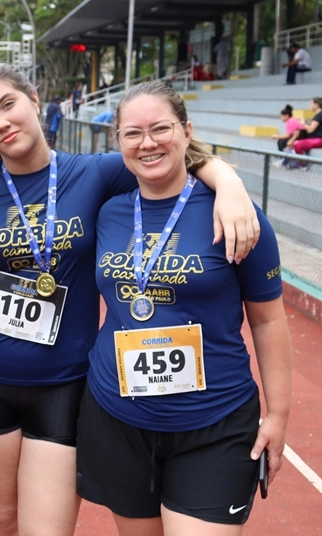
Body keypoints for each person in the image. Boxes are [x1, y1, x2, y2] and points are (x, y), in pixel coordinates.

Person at [0, 63, 261, 536]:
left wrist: (230, 185)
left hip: (66, 382)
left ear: (34, 99)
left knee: (46, 530)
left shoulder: (96, 173)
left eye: (8, 105)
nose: (1, 122)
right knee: (0, 521)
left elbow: (168, 154)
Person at [78, 80, 292, 535]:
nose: (148, 142)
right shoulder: (107, 211)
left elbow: (269, 321)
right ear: (118, 143)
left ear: (186, 131)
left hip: (214, 422)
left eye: (161, 128)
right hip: (118, 418)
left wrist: (278, 416)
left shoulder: (237, 215)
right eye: (132, 133)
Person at [285, 96, 322, 169]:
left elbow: (311, 129)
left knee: (298, 144)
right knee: (293, 143)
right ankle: (293, 160)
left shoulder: (319, 116)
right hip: (314, 139)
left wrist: (303, 123)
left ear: (317, 105)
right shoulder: (317, 116)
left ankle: (302, 164)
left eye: (311, 104)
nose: (310, 105)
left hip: (319, 140)